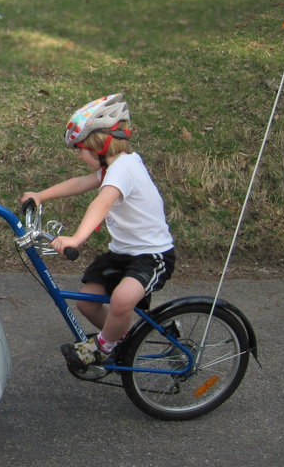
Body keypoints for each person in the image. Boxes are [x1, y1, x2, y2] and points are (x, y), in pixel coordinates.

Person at [21, 93, 175, 371]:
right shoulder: (112, 168)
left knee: (122, 299)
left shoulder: (124, 169)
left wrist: (76, 239)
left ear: (99, 145)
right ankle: (122, 338)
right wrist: (41, 195)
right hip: (122, 254)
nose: (79, 155)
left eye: (80, 148)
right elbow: (80, 183)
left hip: (152, 256)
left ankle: (104, 346)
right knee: (86, 301)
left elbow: (101, 203)